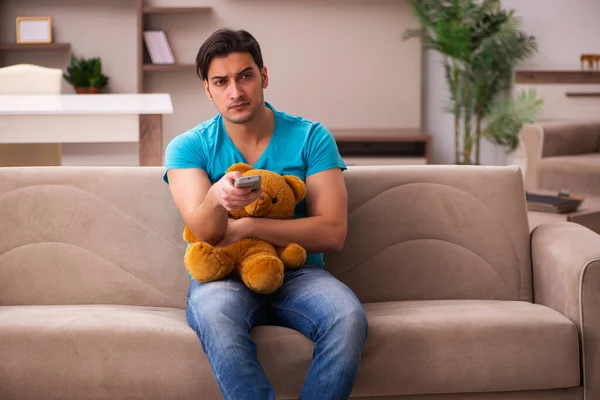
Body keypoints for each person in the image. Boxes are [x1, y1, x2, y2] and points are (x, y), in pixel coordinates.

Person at [163, 28, 368, 400]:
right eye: (221, 82)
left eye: (245, 76)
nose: (235, 92)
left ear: (264, 76)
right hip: (224, 274)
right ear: (207, 90)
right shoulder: (189, 147)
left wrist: (247, 226)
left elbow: (332, 232)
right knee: (216, 316)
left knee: (348, 318)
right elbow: (205, 232)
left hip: (299, 272)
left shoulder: (311, 137)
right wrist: (215, 198)